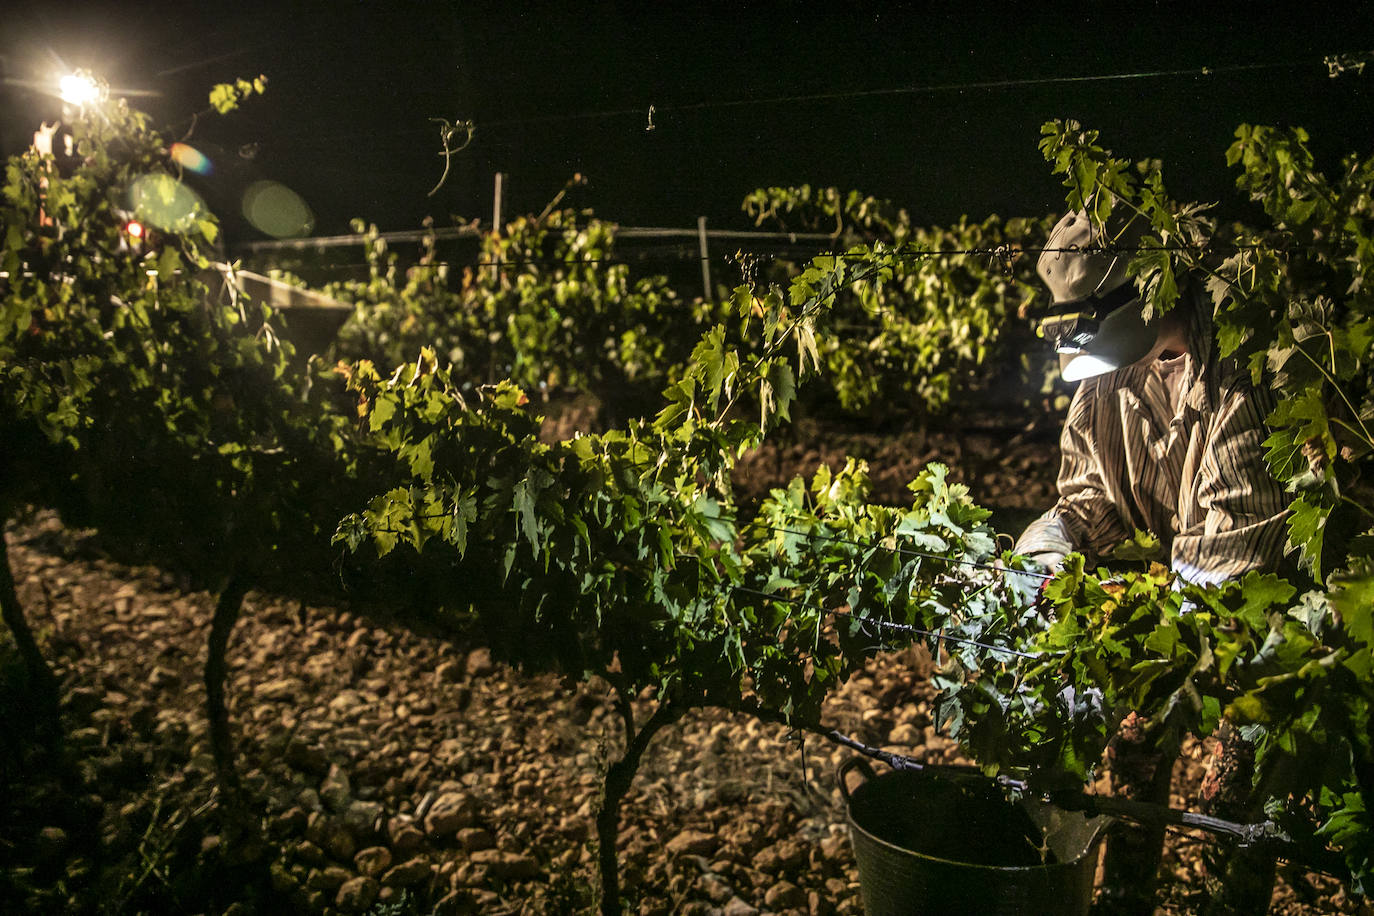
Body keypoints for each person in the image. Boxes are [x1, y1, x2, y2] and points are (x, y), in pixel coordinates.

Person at [1014, 208, 1291, 914]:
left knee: (1236, 784)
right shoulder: (1109, 376)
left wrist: (1117, 625)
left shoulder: (1240, 372)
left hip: (1263, 616)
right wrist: (1048, 553)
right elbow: (1085, 501)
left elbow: (1229, 563)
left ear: (1145, 295)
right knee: (1134, 748)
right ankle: (1127, 896)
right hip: (1176, 599)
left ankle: (1229, 903)